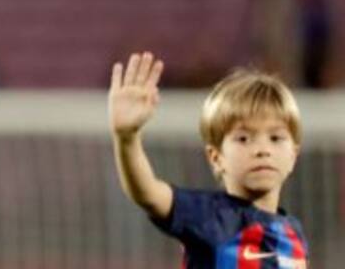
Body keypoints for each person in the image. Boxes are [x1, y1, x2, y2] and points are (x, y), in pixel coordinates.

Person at [108, 52, 308, 268]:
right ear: (216, 157)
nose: (262, 150)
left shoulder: (293, 233)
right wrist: (127, 139)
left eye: (275, 138)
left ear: (293, 155)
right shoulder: (209, 217)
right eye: (243, 139)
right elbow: (148, 193)